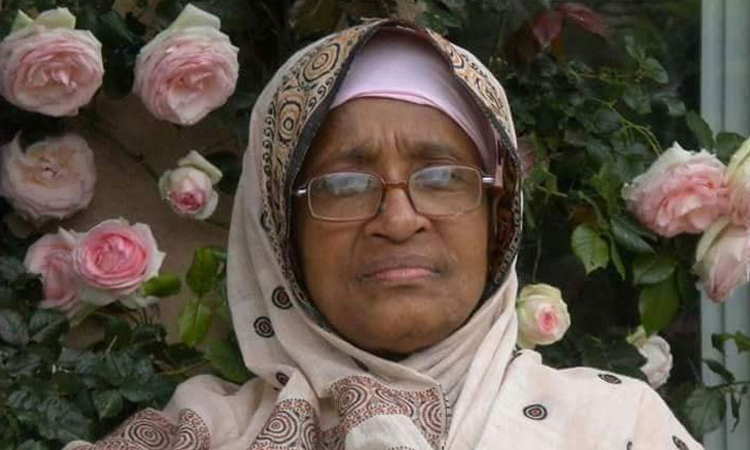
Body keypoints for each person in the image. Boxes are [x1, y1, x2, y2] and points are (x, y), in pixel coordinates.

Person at [64, 19, 702, 450]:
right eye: (344, 184)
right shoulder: (198, 437)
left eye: (442, 177)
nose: (398, 220)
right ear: (282, 233)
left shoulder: (616, 428)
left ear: (498, 214)